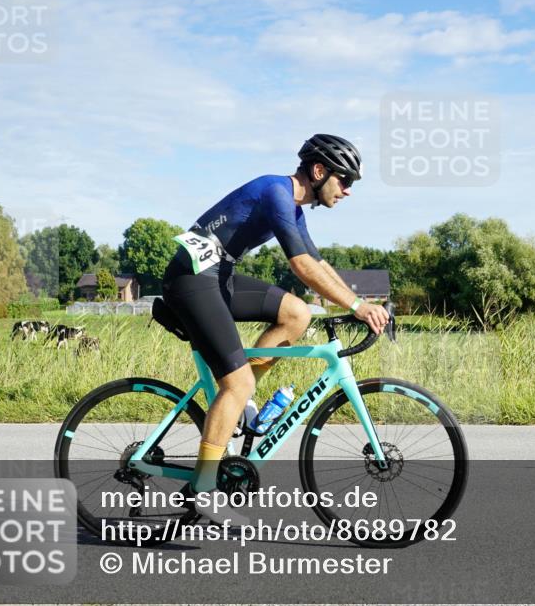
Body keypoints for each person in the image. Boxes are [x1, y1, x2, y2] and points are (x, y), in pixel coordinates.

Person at [160, 133, 389, 522]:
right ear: (319, 171)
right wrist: (355, 305)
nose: (348, 191)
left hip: (220, 276)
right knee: (237, 383)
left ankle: (242, 409)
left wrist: (360, 303)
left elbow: (319, 264)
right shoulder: (275, 191)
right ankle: (202, 489)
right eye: (344, 180)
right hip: (191, 280)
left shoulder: (294, 208)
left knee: (297, 313)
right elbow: (301, 266)